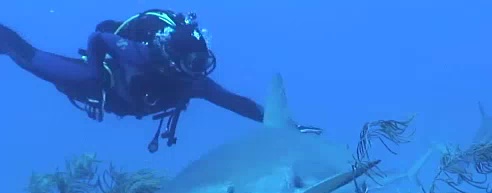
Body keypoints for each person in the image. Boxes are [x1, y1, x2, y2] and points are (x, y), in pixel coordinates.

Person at [0, 9, 322, 152]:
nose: (200, 70)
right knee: (29, 58)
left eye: (203, 62)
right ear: (174, 58)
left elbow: (236, 103)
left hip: (130, 103)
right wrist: (97, 83)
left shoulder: (194, 82)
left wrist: (290, 127)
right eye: (193, 63)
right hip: (103, 83)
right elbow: (99, 38)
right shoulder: (142, 54)